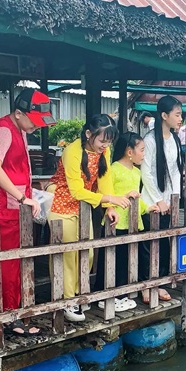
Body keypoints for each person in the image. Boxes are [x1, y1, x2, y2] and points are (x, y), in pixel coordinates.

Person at [0, 88, 56, 336]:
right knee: (9, 259)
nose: (36, 126)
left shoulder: (17, 128)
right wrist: (22, 196)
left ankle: (2, 307)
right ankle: (8, 314)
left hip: (16, 203)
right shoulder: (3, 129)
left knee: (13, 258)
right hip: (6, 203)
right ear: (19, 113)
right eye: (33, 121)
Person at [48, 114, 130, 323]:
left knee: (88, 253)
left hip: (84, 207)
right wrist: (109, 198)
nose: (106, 145)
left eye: (109, 141)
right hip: (61, 205)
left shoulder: (104, 150)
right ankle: (68, 301)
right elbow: (75, 190)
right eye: (103, 140)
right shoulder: (72, 151)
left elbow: (104, 179)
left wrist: (108, 206)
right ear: (88, 134)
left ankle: (78, 293)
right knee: (68, 255)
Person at [94, 132, 158, 311]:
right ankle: (103, 294)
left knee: (124, 259)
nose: (144, 154)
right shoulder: (113, 169)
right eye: (142, 150)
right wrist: (123, 197)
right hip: (115, 221)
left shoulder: (137, 172)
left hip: (132, 222)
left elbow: (138, 196)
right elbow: (105, 194)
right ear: (129, 152)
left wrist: (147, 207)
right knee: (109, 259)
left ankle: (119, 294)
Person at [140, 95, 184, 303]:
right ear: (164, 115)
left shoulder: (174, 139)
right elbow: (146, 173)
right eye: (177, 114)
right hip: (151, 200)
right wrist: (158, 199)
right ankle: (146, 285)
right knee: (149, 243)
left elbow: (175, 170)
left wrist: (173, 197)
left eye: (180, 114)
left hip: (167, 200)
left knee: (164, 242)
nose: (180, 118)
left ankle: (160, 282)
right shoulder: (149, 140)